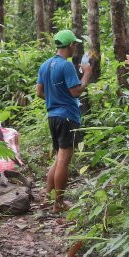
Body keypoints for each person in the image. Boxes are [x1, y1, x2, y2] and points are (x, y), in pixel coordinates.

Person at [37, 29, 87, 212]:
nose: (76, 48)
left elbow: (39, 92)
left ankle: (48, 196)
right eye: (75, 44)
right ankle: (58, 203)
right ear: (71, 45)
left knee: (58, 158)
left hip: (53, 116)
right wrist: (87, 74)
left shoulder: (45, 65)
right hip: (67, 116)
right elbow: (75, 91)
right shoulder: (66, 66)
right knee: (64, 160)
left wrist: (54, 99)